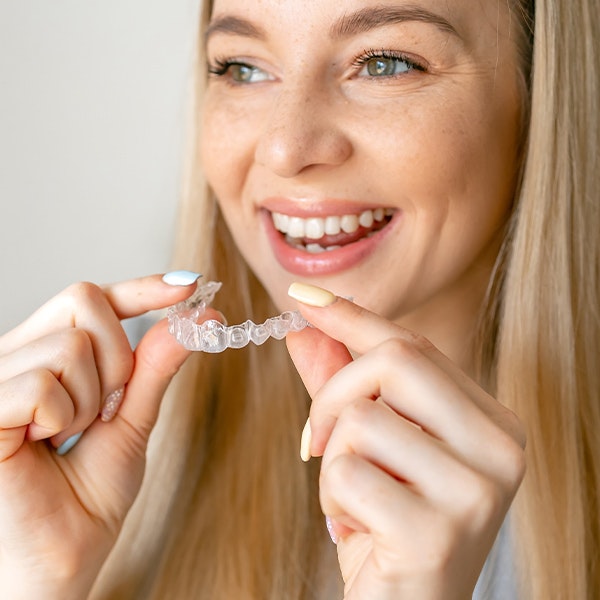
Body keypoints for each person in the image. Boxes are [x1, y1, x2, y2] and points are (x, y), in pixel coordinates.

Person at [1, 0, 598, 598]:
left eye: (385, 63)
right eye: (243, 67)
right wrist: (35, 580)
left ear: (541, 97)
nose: (285, 149)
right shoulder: (78, 424)